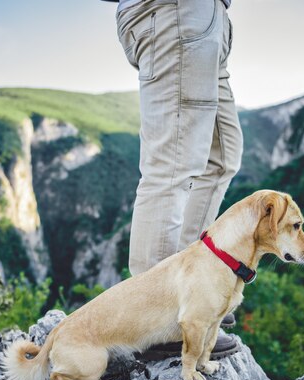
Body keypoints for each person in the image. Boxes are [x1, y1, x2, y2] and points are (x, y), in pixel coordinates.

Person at [104, 0, 243, 359]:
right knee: (171, 166)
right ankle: (159, 317)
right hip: (177, 11)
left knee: (222, 157)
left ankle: (190, 288)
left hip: (205, 20)